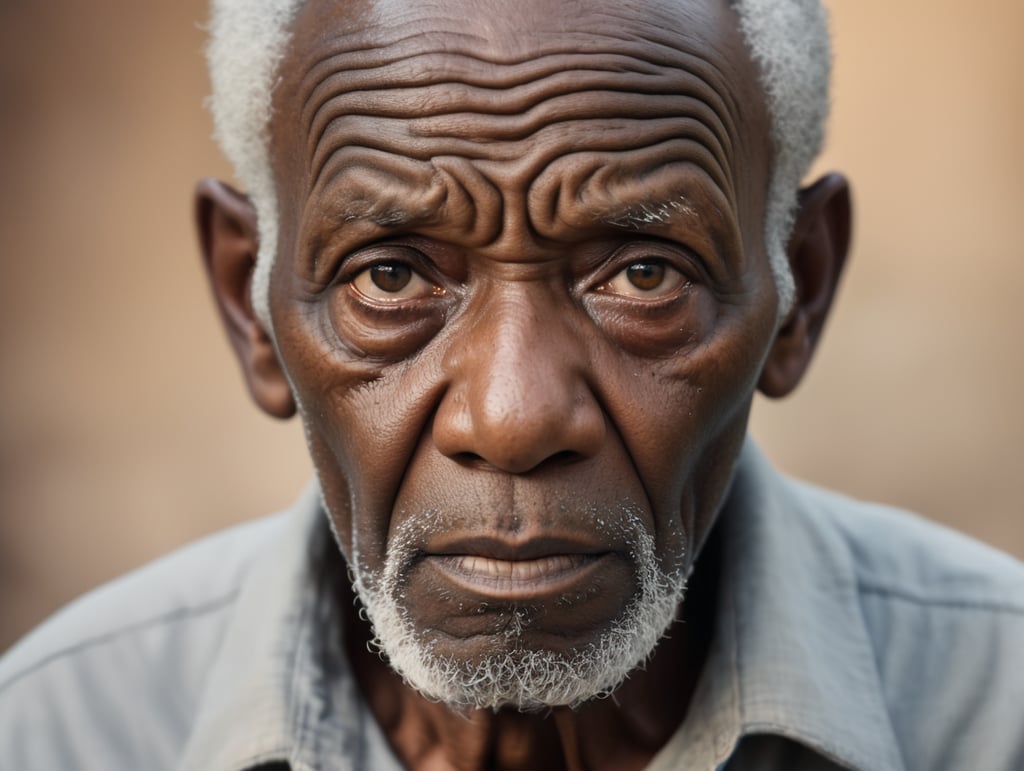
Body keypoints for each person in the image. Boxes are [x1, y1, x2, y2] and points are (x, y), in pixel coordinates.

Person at [1, 0, 1022, 768]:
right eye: (389, 276)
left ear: (798, 292)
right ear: (249, 306)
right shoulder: (64, 731)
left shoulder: (994, 707)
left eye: (642, 274)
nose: (514, 415)